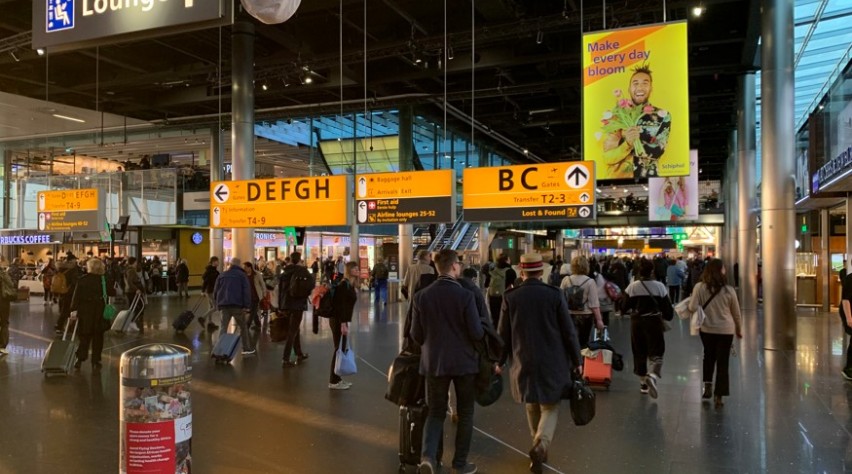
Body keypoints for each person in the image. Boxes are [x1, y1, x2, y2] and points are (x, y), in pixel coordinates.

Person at [497, 253, 582, 474]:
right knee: (550, 405)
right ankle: (541, 444)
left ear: (521, 272)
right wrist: (577, 359)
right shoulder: (554, 295)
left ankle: (537, 448)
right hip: (552, 359)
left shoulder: (511, 297)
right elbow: (568, 331)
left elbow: (502, 334)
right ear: (541, 272)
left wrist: (498, 361)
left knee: (531, 403)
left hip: (522, 359)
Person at [410, 249, 483, 474]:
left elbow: (416, 335)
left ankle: (429, 458)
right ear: (453, 267)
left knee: (435, 412)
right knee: (465, 412)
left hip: (434, 362)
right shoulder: (465, 296)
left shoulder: (422, 296)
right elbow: (477, 333)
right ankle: (460, 463)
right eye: (458, 264)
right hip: (464, 363)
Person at [688, 258, 743, 408]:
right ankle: (719, 396)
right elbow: (736, 313)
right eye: (723, 268)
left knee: (708, 356)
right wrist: (738, 329)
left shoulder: (699, 287)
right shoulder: (729, 290)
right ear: (720, 271)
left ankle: (707, 387)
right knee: (723, 361)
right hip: (726, 330)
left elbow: (692, 307)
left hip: (707, 329)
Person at [602, 64, 671, 178]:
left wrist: (638, 138)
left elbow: (658, 150)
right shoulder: (617, 116)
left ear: (651, 88)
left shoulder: (662, 115)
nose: (640, 87)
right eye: (635, 83)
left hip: (648, 179)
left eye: (645, 83)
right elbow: (608, 158)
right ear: (629, 89)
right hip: (618, 181)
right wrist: (627, 143)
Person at [622, 258, 671, 399]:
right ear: (652, 271)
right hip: (654, 322)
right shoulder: (660, 287)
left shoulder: (632, 287)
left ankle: (643, 384)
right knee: (657, 351)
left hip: (637, 322)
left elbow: (623, 307)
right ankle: (653, 374)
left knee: (639, 351)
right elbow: (668, 311)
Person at [70, 258, 113, 370]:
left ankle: (80, 359)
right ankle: (96, 360)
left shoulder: (83, 280)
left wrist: (73, 310)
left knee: (84, 336)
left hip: (85, 311)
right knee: (98, 337)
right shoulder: (104, 280)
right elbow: (112, 292)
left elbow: (76, 296)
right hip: (99, 310)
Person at [213, 258, 255, 356]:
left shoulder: (222, 275)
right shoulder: (242, 276)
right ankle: (246, 348)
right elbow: (246, 291)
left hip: (224, 305)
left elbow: (216, 291)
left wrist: (217, 303)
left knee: (223, 327)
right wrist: (247, 306)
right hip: (237, 305)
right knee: (243, 327)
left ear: (230, 264)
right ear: (239, 265)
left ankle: (220, 349)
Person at [560, 256, 604, 349]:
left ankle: (572, 361)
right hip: (586, 316)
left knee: (570, 341)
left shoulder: (566, 280)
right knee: (584, 342)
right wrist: (599, 320)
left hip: (569, 315)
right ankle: (582, 361)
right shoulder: (590, 281)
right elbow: (594, 304)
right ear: (586, 266)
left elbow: (560, 299)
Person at [328, 261, 359, 390]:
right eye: (354, 268)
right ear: (348, 270)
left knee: (340, 348)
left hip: (342, 320)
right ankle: (333, 381)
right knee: (338, 349)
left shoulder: (350, 285)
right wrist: (343, 324)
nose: (357, 270)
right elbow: (339, 306)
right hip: (338, 320)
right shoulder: (343, 285)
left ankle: (337, 378)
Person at [278, 252, 310, 367]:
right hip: (298, 304)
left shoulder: (285, 271)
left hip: (286, 304)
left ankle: (299, 353)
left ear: (290, 259)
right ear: (300, 259)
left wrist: (280, 306)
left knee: (295, 329)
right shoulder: (302, 270)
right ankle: (285, 359)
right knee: (292, 331)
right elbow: (310, 284)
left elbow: (280, 290)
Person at [487, 254, 517, 329]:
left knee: (495, 319)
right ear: (506, 260)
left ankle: (495, 337)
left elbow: (486, 284)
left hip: (493, 298)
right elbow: (514, 285)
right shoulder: (510, 271)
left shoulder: (493, 270)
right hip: (505, 297)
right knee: (505, 320)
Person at [56, 253, 82, 335]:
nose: (76, 261)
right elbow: (75, 281)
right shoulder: (73, 269)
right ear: (71, 261)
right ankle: (63, 326)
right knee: (68, 309)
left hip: (61, 291)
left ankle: (62, 326)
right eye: (74, 260)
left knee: (63, 309)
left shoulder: (61, 268)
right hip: (70, 292)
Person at [198, 257, 221, 331]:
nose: (218, 262)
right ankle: (203, 318)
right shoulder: (211, 271)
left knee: (211, 306)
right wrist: (203, 290)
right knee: (216, 307)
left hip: (211, 290)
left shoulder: (213, 271)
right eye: (217, 261)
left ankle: (210, 322)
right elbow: (206, 281)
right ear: (213, 262)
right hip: (211, 291)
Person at [124, 257, 147, 332]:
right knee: (139, 306)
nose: (137, 264)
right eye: (136, 262)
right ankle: (132, 321)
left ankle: (131, 321)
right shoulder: (131, 271)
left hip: (130, 291)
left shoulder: (128, 270)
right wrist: (136, 289)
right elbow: (130, 282)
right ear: (133, 262)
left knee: (133, 307)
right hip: (132, 291)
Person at [243, 261, 265, 330]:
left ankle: (247, 326)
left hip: (256, 295)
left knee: (252, 311)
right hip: (248, 296)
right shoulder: (244, 275)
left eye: (246, 267)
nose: (244, 269)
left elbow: (262, 283)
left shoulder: (257, 274)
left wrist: (264, 292)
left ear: (250, 267)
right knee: (254, 310)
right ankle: (258, 324)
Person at [0, 267, 13, 358]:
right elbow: (11, 284)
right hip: (3, 301)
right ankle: (2, 345)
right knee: (4, 323)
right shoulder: (4, 274)